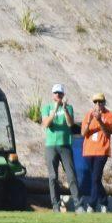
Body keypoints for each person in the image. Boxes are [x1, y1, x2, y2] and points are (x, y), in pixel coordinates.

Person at [42, 83, 79, 213]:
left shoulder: (68, 107)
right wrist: (55, 110)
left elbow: (70, 124)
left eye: (60, 93)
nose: (58, 95)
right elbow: (46, 124)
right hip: (51, 146)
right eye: (55, 93)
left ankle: (78, 204)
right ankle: (55, 205)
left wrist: (64, 110)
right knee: (53, 176)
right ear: (52, 95)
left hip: (65, 146)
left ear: (63, 95)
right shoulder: (47, 108)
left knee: (71, 175)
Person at [80, 93, 112, 213]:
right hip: (89, 151)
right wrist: (90, 120)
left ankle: (91, 204)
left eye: (100, 102)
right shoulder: (88, 114)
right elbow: (83, 133)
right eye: (95, 102)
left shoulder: (110, 115)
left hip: (102, 150)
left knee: (95, 177)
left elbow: (107, 133)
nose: (98, 104)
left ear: (104, 103)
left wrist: (100, 120)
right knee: (95, 179)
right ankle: (104, 201)